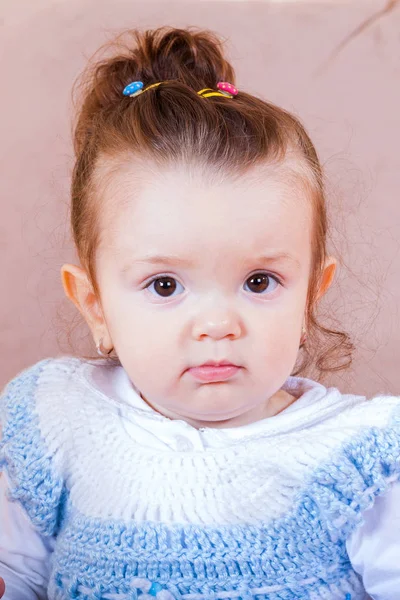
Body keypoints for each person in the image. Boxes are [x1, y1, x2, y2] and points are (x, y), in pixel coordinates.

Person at [0, 24, 399, 600]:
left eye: (259, 281)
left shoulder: (360, 460)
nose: (218, 324)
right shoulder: (56, 424)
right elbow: (19, 575)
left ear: (313, 291)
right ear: (96, 306)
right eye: (164, 285)